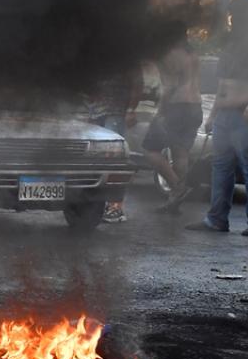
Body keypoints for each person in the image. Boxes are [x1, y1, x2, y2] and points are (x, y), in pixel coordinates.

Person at [187, 0, 248, 237]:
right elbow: (223, 84)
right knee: (221, 167)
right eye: (232, 14)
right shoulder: (232, 42)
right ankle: (216, 219)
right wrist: (213, 115)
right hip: (226, 115)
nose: (233, 18)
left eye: (238, 13)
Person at [142, 22, 202, 212]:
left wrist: (160, 112)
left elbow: (170, 85)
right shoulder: (193, 54)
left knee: (149, 150)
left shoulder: (170, 54)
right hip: (195, 106)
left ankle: (177, 186)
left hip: (177, 106)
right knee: (180, 152)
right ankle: (174, 200)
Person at [86, 66, 142, 223]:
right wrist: (90, 113)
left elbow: (137, 83)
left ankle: (115, 207)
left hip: (115, 113)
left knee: (114, 160)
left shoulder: (127, 57)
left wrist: (131, 109)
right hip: (97, 113)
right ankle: (96, 203)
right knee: (94, 158)